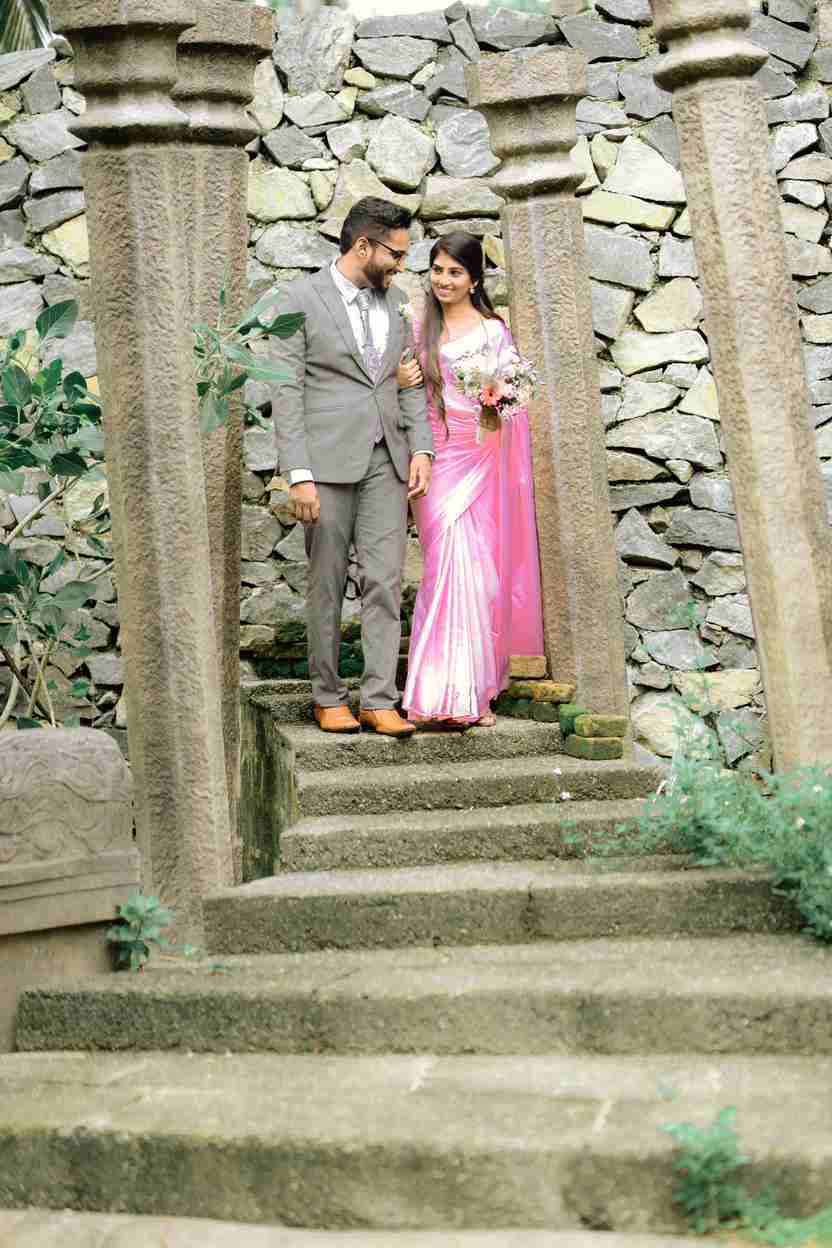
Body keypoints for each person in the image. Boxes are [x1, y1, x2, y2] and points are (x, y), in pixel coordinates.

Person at [268, 197, 433, 737]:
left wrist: (422, 449)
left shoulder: (398, 301)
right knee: (327, 582)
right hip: (326, 465)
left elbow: (409, 381)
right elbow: (286, 391)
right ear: (363, 246)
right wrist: (298, 474)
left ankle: (380, 699)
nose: (402, 265)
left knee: (385, 580)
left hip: (388, 460)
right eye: (396, 255)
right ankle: (327, 696)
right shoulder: (298, 299)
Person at [400, 232, 544, 728]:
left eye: (455, 272)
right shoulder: (418, 325)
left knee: (481, 575)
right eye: (437, 270)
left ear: (475, 280)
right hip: (435, 458)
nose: (444, 280)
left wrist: (496, 405)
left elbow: (512, 397)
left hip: (482, 455)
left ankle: (473, 693)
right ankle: (434, 690)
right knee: (443, 567)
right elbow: (405, 393)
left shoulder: (493, 332)